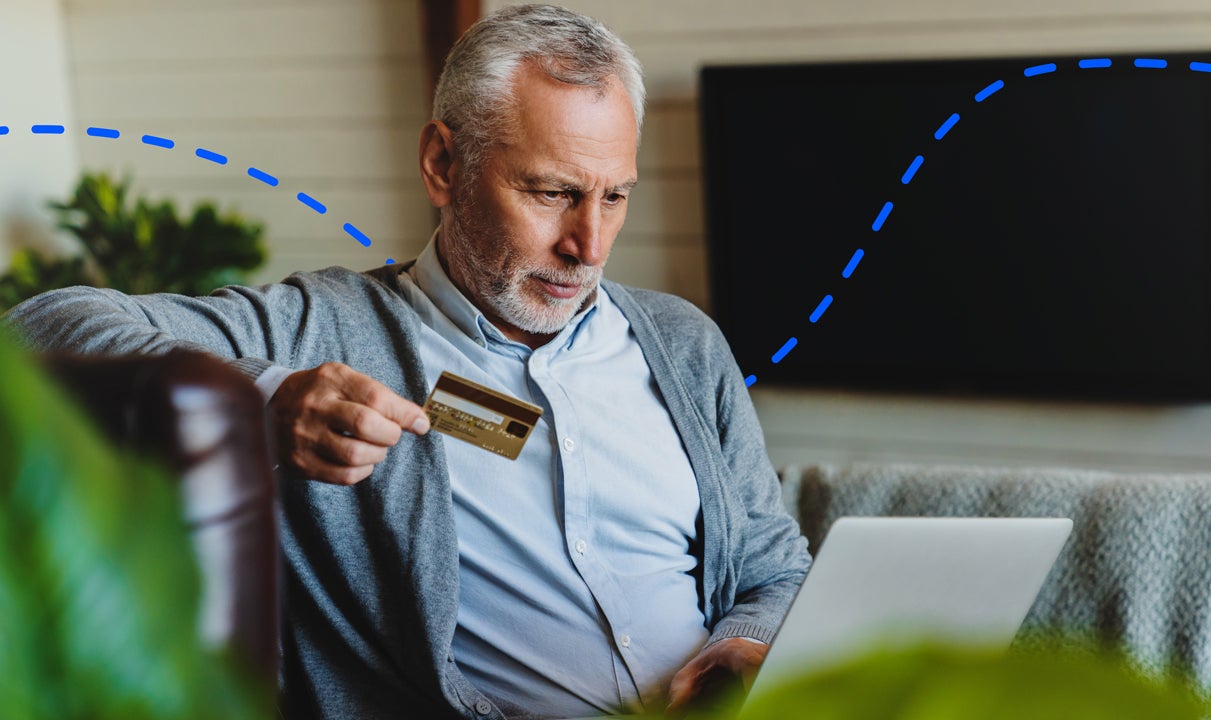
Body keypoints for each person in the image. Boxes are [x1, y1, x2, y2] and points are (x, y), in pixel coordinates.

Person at [4, 4, 811, 718]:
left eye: (615, 196)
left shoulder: (682, 342)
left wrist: (742, 647)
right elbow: (38, 327)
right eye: (551, 192)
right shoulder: (321, 329)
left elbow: (775, 570)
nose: (587, 246)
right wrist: (263, 398)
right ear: (442, 165)